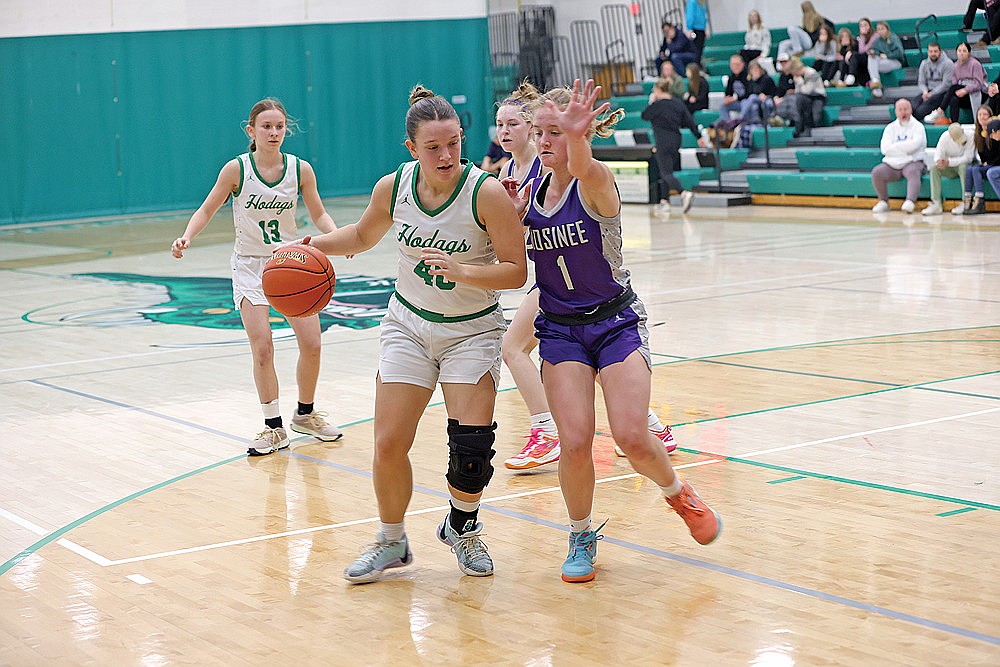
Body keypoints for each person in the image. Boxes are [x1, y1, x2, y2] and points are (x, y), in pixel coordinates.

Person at [301, 85, 528, 583]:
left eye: (454, 143)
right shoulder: (394, 187)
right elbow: (361, 236)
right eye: (434, 147)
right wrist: (309, 245)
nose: (447, 155)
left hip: (472, 332)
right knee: (387, 444)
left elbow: (516, 272)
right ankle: (391, 541)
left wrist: (463, 271)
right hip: (408, 326)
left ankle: (462, 528)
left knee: (470, 450)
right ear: (412, 149)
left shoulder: (485, 193)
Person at [515, 79, 722, 583]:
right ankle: (582, 533)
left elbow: (583, 165)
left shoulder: (596, 180)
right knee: (576, 439)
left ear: (577, 134)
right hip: (561, 329)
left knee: (631, 434)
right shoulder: (526, 193)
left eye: (556, 133)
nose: (545, 142)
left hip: (614, 322)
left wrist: (578, 139)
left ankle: (678, 494)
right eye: (540, 132)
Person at [500, 83, 680, 470]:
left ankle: (551, 427)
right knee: (535, 353)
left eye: (514, 123)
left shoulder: (574, 170)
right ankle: (558, 433)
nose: (506, 131)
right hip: (560, 302)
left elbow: (583, 167)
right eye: (503, 124)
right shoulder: (514, 180)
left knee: (515, 347)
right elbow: (509, 253)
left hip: (604, 303)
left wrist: (575, 135)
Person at [170, 98, 343, 456]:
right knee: (263, 347)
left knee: (312, 343)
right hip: (250, 266)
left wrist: (340, 237)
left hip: (289, 261)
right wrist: (187, 236)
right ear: (252, 131)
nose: (274, 132)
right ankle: (273, 427)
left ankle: (305, 415)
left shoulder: (300, 169)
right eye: (266, 126)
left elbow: (320, 214)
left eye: (280, 126)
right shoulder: (236, 170)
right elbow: (207, 208)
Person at [642, 77, 702, 213]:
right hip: (676, 140)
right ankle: (665, 201)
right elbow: (689, 121)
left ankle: (684, 193)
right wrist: (698, 136)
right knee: (667, 171)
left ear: (658, 90)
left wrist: (651, 102)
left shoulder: (657, 105)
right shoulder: (678, 103)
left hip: (663, 141)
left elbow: (644, 115)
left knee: (665, 172)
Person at [870, 98, 927, 214]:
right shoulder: (890, 128)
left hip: (913, 161)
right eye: (900, 110)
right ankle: (883, 202)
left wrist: (895, 147)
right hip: (893, 164)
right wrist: (904, 149)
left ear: (910, 110)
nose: (903, 112)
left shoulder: (918, 126)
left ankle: (910, 201)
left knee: (912, 171)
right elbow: (885, 148)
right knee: (877, 172)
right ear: (896, 112)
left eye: (905, 109)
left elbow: (915, 145)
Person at [922, 122, 976, 216]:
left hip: (963, 166)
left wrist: (949, 162)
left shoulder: (971, 135)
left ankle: (965, 202)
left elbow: (968, 158)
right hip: (949, 167)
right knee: (934, 169)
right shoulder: (944, 138)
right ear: (951, 138)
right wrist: (939, 162)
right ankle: (936, 203)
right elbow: (938, 155)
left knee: (964, 167)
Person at [932, 43, 987, 124]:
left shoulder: (975, 64)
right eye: (959, 51)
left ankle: (940, 109)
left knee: (953, 88)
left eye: (964, 51)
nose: (961, 53)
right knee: (953, 99)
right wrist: (961, 91)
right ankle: (954, 124)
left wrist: (965, 90)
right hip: (962, 94)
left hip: (977, 93)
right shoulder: (955, 65)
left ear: (969, 52)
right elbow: (955, 82)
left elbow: (979, 83)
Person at [961, 111, 1000, 215]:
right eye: (980, 115)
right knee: (971, 168)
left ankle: (980, 199)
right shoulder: (979, 135)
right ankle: (969, 198)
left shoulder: (996, 138)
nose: (991, 137)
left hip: (995, 164)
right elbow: (983, 155)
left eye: (992, 134)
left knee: (990, 172)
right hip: (992, 164)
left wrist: (990, 162)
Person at [913, 44, 955, 123]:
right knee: (912, 107)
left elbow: (946, 84)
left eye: (935, 51)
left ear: (940, 52)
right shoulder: (924, 63)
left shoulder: (948, 63)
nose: (933, 54)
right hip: (927, 91)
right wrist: (925, 91)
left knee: (919, 111)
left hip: (942, 93)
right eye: (930, 51)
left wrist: (932, 93)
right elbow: (921, 82)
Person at [866, 21, 904, 99]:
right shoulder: (878, 40)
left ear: (887, 29)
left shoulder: (893, 38)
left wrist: (887, 56)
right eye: (878, 29)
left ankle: (875, 83)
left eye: (882, 29)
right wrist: (873, 52)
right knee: (871, 58)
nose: (880, 31)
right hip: (883, 63)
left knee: (873, 67)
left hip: (896, 62)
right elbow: (875, 49)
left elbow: (900, 53)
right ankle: (876, 83)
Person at [790, 56, 827, 132]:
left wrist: (800, 83)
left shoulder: (811, 73)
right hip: (806, 97)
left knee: (816, 118)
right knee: (797, 100)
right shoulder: (797, 77)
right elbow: (797, 92)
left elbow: (807, 90)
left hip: (818, 96)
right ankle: (799, 128)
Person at [740, 59, 778, 124]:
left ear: (760, 69)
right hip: (754, 101)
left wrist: (766, 96)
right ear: (750, 71)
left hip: (767, 99)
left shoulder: (767, 79)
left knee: (754, 97)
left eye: (756, 69)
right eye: (753, 69)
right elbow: (746, 94)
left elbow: (774, 92)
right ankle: (756, 123)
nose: (755, 71)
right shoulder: (749, 81)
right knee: (753, 105)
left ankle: (741, 118)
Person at [719, 54, 749, 121]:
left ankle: (742, 123)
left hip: (748, 102)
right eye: (733, 65)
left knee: (745, 103)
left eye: (737, 64)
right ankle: (728, 125)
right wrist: (727, 98)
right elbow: (728, 92)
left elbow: (750, 94)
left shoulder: (748, 75)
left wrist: (735, 98)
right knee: (723, 106)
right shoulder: (732, 77)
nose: (735, 67)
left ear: (742, 64)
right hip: (738, 102)